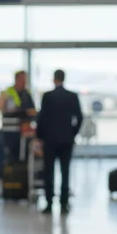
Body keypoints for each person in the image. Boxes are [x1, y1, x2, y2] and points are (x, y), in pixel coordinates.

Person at [37, 69, 83, 215]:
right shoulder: (72, 96)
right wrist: (72, 133)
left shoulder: (48, 96)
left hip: (50, 139)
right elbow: (79, 117)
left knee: (49, 172)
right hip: (66, 140)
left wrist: (41, 136)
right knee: (65, 171)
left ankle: (49, 203)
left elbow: (42, 119)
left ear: (54, 79)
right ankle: (64, 204)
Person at [0, 70, 36, 162]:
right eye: (23, 79)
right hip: (10, 129)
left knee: (23, 154)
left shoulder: (27, 94)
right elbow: (1, 107)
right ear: (17, 79)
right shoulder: (7, 93)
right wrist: (20, 111)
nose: (25, 82)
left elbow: (32, 111)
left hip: (23, 129)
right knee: (11, 154)